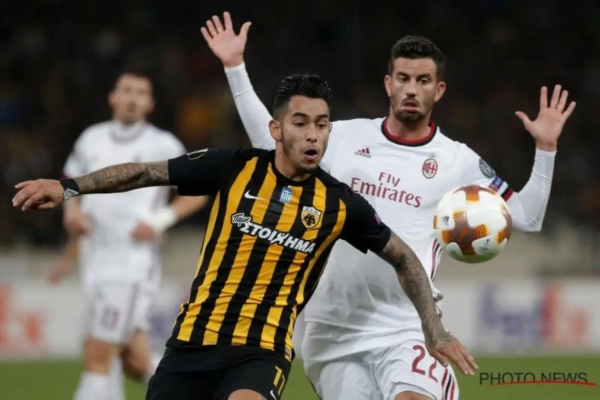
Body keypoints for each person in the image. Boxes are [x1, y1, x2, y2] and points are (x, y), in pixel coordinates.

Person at [12, 74, 476, 400]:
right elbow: (145, 173)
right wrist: (69, 187)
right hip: (191, 345)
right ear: (276, 129)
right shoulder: (233, 167)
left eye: (322, 125)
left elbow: (405, 258)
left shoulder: (339, 204)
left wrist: (433, 330)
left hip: (261, 352)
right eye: (301, 123)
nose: (313, 136)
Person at [200, 12, 576, 400]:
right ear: (388, 83)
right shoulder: (344, 136)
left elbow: (527, 217)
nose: (411, 89)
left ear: (439, 90)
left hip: (407, 326)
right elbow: (272, 144)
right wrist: (235, 67)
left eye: (423, 80)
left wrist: (546, 148)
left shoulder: (457, 160)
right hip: (330, 331)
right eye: (403, 78)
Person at [51, 68, 208, 400]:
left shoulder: (162, 143)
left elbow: (198, 191)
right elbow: (69, 185)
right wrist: (72, 214)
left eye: (140, 93)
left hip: (132, 265)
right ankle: (194, 391)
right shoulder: (91, 138)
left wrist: (160, 220)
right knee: (134, 361)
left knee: (98, 351)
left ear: (150, 103)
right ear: (113, 97)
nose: (132, 98)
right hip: (95, 261)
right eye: (126, 90)